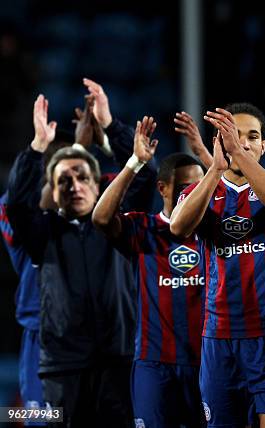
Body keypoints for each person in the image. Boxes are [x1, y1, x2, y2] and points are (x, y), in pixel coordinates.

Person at [6, 91, 156, 427]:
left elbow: (143, 178)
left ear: (98, 183)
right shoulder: (40, 230)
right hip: (59, 361)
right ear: (51, 189)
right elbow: (15, 203)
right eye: (63, 180)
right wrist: (37, 148)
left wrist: (110, 126)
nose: (74, 186)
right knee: (32, 418)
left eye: (82, 177)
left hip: (117, 360)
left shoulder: (118, 225)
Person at [170, 103, 265, 428]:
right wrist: (215, 168)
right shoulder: (199, 191)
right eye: (233, 135)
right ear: (219, 141)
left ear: (264, 146)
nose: (241, 142)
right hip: (221, 339)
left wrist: (237, 154)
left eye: (251, 136)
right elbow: (178, 227)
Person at [92, 117, 207, 428]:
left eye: (198, 188)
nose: (191, 195)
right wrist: (134, 163)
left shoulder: (213, 234)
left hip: (209, 363)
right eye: (185, 188)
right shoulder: (144, 228)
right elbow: (101, 218)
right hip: (154, 365)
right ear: (162, 188)